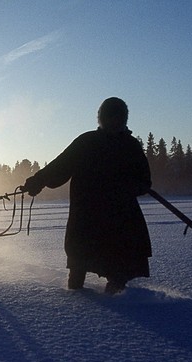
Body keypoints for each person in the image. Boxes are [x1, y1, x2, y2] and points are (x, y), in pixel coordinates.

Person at [21, 97, 152, 294]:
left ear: (123, 120)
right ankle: (77, 300)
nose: (114, 123)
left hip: (119, 220)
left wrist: (128, 186)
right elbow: (59, 167)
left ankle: (119, 303)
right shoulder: (87, 142)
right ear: (102, 119)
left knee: (117, 267)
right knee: (79, 264)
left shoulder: (130, 146)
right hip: (88, 218)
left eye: (118, 119)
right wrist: (36, 182)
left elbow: (144, 182)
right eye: (110, 118)